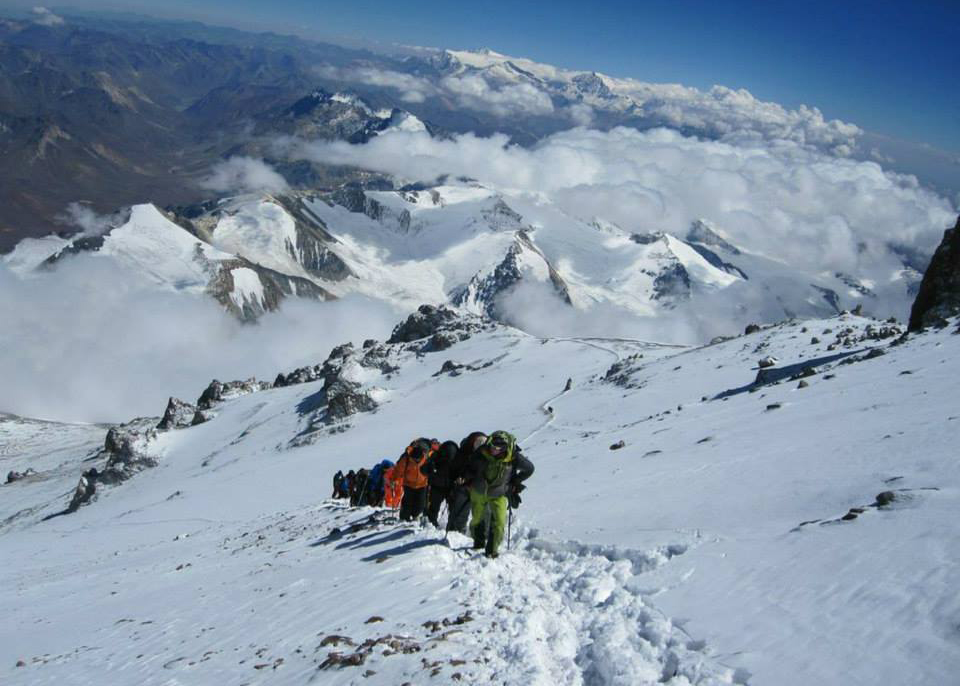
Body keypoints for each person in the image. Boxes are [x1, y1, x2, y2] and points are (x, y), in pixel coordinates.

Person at [467, 430, 534, 558]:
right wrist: (466, 477)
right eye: (492, 446)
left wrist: (515, 481)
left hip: (500, 493)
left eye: (498, 448)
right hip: (479, 490)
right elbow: (470, 466)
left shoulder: (513, 456)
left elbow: (530, 469)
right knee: (477, 519)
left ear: (505, 448)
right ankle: (478, 543)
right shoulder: (481, 452)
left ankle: (491, 551)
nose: (494, 450)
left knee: (499, 523)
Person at [446, 432, 486, 534]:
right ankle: (456, 532)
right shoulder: (466, 453)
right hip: (468, 486)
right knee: (462, 511)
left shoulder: (466, 452)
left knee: (460, 511)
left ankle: (457, 531)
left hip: (470, 485)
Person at [393, 438, 433, 521]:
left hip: (422, 484)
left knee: (420, 504)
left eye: (418, 459)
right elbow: (399, 470)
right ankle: (404, 519)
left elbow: (430, 469)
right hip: (408, 484)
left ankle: (415, 516)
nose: (417, 461)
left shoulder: (426, 458)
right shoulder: (406, 459)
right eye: (415, 459)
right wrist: (395, 480)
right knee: (407, 503)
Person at [423, 440, 459, 527]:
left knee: (434, 507)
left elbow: (423, 469)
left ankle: (431, 524)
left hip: (437, 486)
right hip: (451, 486)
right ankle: (453, 527)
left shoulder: (436, 456)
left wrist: (431, 474)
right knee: (453, 508)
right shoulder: (458, 458)